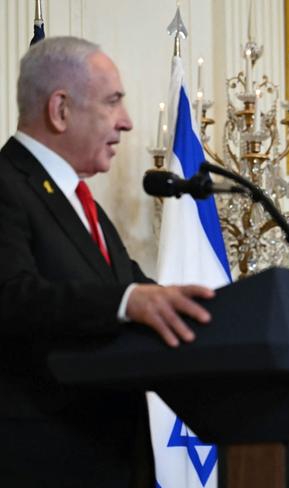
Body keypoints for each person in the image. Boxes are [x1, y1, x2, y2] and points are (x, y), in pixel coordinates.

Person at [0, 37, 215, 487]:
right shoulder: (7, 185)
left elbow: (138, 290)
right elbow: (12, 297)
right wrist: (128, 302)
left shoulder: (84, 207)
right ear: (60, 109)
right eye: (113, 101)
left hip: (112, 463)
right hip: (40, 464)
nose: (128, 122)